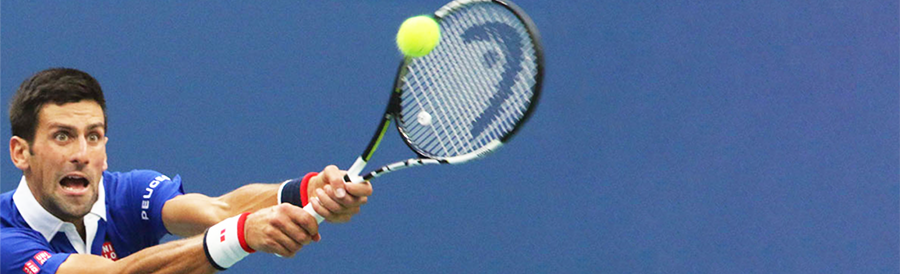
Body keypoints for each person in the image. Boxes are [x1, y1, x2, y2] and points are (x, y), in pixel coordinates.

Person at [0, 68, 374, 273]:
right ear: (21, 152)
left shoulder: (126, 194)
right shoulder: (5, 240)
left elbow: (219, 211)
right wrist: (241, 236)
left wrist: (309, 193)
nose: (82, 153)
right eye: (62, 136)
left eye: (94, 136)